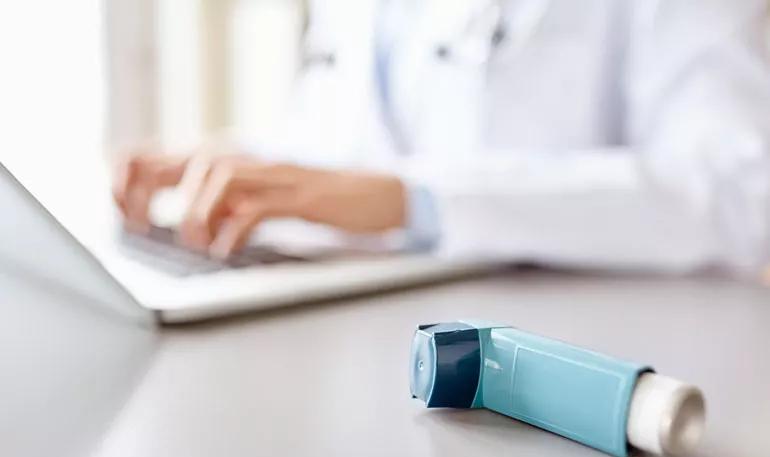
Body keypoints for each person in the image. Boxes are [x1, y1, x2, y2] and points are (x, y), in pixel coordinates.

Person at [114, 0, 770, 272]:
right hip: (362, 327)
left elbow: (737, 190)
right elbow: (350, 148)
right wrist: (250, 166)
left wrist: (418, 199)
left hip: (568, 365)